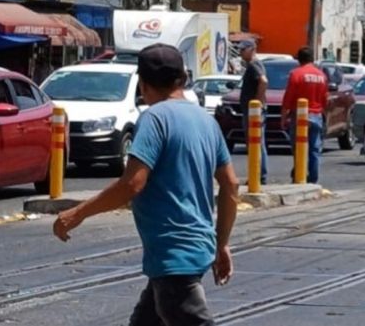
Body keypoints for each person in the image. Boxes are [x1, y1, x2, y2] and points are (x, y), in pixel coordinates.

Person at [52, 43, 239, 326]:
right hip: (193, 249)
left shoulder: (154, 119)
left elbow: (132, 185)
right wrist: (221, 242)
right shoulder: (205, 120)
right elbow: (231, 186)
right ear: (184, 79)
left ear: (142, 84)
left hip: (173, 253)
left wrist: (77, 213)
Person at [281, 46, 328, 184]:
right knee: (314, 149)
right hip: (316, 115)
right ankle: (313, 179)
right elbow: (325, 98)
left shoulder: (296, 74)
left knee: (298, 147)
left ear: (299, 59)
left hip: (299, 116)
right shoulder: (321, 75)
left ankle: (299, 175)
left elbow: (288, 97)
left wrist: (284, 116)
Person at [238, 40, 268, 185]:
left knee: (255, 143)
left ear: (252, 49)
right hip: (251, 110)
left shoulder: (254, 64)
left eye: (243, 49)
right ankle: (258, 175)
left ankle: (258, 176)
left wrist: (257, 102)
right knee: (256, 143)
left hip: (253, 111)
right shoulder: (252, 65)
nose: (240, 52)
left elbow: (263, 81)